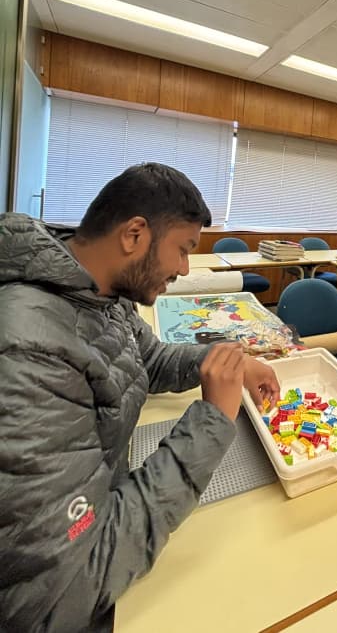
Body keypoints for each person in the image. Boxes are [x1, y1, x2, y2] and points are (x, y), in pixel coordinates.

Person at [0, 163, 280, 632]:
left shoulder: (99, 291)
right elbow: (69, 585)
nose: (185, 269)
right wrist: (212, 419)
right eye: (184, 249)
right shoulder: (28, 349)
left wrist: (220, 362)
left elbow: (144, 360)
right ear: (134, 234)